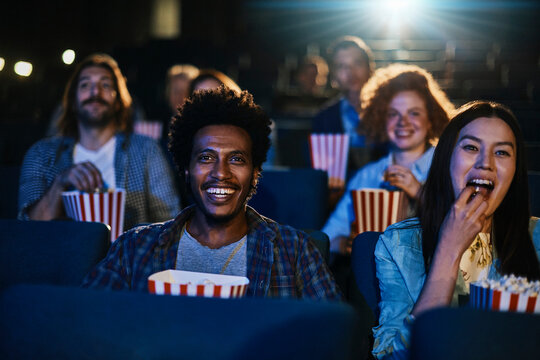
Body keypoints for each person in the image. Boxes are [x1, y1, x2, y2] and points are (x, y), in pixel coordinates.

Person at [82, 86, 342, 300]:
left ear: (254, 173)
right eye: (206, 158)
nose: (221, 172)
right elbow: (83, 323)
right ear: (186, 169)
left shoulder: (295, 251)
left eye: (237, 159)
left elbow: (334, 340)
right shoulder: (134, 247)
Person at [373, 101, 540, 359]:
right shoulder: (397, 243)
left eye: (502, 153)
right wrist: (449, 249)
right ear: (447, 158)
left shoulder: (537, 237)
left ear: (515, 170)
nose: (486, 164)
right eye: (471, 147)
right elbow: (393, 356)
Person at [18, 53, 181, 231]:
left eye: (105, 85)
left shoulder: (146, 150)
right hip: (61, 257)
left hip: (127, 257)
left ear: (119, 100)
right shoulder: (42, 154)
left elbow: (171, 223)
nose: (95, 92)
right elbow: (28, 230)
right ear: (72, 101)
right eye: (85, 85)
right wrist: (60, 183)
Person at [323, 64, 455, 255]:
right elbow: (326, 237)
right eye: (393, 114)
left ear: (431, 119)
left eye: (414, 113)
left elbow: (463, 227)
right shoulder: (367, 176)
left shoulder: (450, 165)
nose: (403, 122)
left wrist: (419, 192)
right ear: (381, 120)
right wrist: (344, 244)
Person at [312, 35, 378, 170]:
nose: (351, 72)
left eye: (358, 63)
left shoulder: (392, 111)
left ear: (370, 68)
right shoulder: (324, 117)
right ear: (333, 75)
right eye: (342, 66)